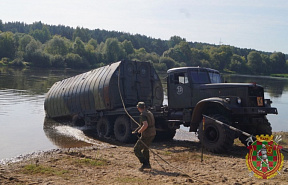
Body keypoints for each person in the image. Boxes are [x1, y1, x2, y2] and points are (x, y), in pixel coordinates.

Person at [133, 102, 156, 171]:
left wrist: (138, 132)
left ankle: (145, 163)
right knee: (146, 149)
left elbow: (145, 125)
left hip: (147, 135)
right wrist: (136, 131)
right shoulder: (149, 113)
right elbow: (142, 125)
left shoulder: (143, 115)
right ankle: (148, 164)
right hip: (153, 133)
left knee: (136, 149)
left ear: (139, 108)